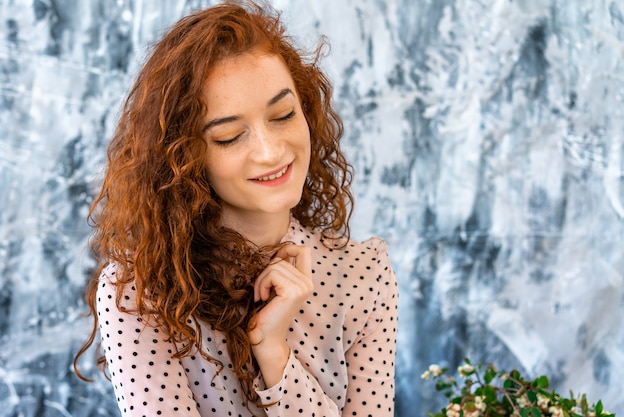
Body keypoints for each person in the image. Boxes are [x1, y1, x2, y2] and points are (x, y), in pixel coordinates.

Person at [74, 1, 398, 416]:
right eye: (229, 137)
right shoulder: (137, 296)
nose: (271, 151)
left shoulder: (364, 273)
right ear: (185, 159)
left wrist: (276, 356)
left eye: (283, 115)